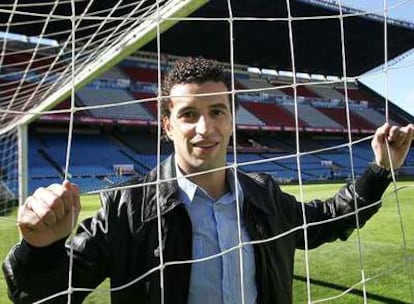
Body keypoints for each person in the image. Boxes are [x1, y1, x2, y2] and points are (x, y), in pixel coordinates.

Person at [2, 57, 413, 304]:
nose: (205, 128)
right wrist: (39, 250)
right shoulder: (124, 207)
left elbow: (328, 219)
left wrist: (380, 170)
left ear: (232, 119)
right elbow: (47, 294)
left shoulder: (263, 193)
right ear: (166, 125)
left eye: (217, 111)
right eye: (188, 115)